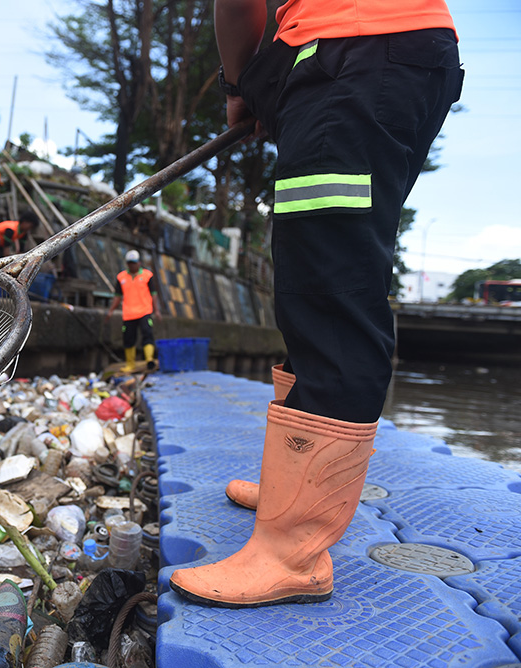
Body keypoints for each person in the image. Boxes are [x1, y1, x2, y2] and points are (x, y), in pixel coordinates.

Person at [169, 0, 463, 608]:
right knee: (314, 271)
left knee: (331, 286)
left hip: (351, 60)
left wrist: (239, 85)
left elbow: (240, 5)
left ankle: (292, 553)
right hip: (383, 57)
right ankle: (289, 492)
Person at [108, 250, 160, 372]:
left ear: (139, 263)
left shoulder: (147, 275)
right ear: (127, 263)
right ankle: (130, 364)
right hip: (129, 313)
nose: (132, 265)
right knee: (128, 338)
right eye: (130, 263)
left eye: (134, 263)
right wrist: (111, 311)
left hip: (145, 311)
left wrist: (156, 311)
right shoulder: (121, 277)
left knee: (147, 334)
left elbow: (154, 294)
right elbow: (117, 296)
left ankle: (149, 359)